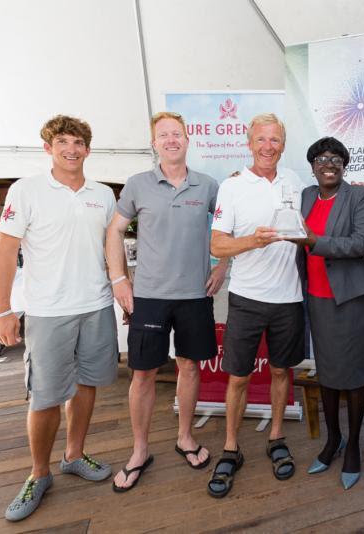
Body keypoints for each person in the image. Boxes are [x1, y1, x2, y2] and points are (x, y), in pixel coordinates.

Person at [0, 115, 118, 521]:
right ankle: (38, 473)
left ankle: (74, 455)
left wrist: (122, 289)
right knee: (45, 396)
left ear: (88, 148)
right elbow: (5, 253)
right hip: (48, 312)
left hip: (96, 305)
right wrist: (2, 310)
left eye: (79, 141)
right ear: (47, 147)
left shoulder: (103, 194)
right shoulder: (26, 190)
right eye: (62, 141)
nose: (71, 148)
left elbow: (109, 247)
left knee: (87, 383)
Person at [107, 111, 225, 492]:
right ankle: (140, 450)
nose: (171, 140)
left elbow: (229, 228)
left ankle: (185, 437)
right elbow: (114, 232)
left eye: (177, 133)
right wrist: (119, 279)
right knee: (142, 374)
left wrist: (223, 265)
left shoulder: (208, 185)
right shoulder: (138, 184)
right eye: (164, 135)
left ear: (188, 139)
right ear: (154, 143)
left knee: (189, 367)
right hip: (150, 297)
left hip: (194, 295)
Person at [208, 113, 305, 498]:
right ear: (249, 143)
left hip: (289, 299)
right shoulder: (232, 188)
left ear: (283, 144)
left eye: (275, 140)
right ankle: (231, 447)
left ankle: (277, 437)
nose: (268, 146)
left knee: (282, 372)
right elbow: (217, 245)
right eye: (261, 139)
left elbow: (320, 215)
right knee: (238, 377)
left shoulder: (296, 182)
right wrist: (254, 241)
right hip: (247, 298)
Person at [291, 137, 364, 490]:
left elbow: (360, 243)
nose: (329, 163)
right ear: (312, 166)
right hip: (316, 297)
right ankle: (333, 439)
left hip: (350, 298)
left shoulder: (358, 196)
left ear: (344, 165)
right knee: (326, 372)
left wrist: (314, 242)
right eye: (322, 158)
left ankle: (353, 445)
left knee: (354, 374)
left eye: (336, 158)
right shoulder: (307, 195)